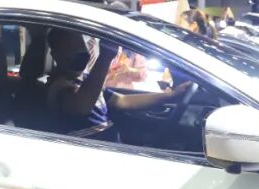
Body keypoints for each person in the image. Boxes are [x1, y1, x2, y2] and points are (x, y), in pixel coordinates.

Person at [46, 28, 188, 138]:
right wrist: (105, 56)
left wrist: (170, 96)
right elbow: (81, 106)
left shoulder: (84, 79)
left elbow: (122, 101)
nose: (79, 52)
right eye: (71, 47)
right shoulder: (56, 86)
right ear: (56, 55)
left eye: (80, 45)